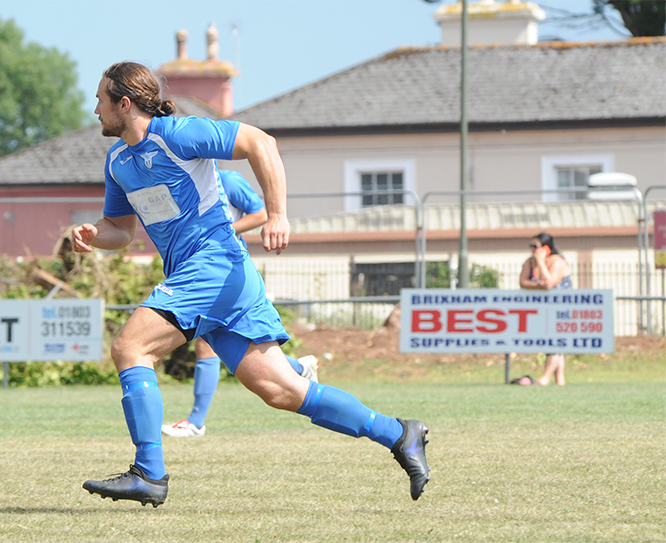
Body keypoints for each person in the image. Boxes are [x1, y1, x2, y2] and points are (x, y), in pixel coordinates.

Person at [75, 62, 430, 507]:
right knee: (282, 391)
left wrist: (278, 214)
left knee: (130, 348)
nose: (94, 109)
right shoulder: (118, 162)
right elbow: (120, 230)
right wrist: (94, 235)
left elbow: (261, 142)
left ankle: (149, 473)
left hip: (214, 266)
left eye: (100, 100)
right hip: (221, 280)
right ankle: (399, 433)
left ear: (123, 104)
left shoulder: (178, 133)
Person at [162, 169, 319, 438]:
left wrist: (221, 231)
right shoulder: (184, 183)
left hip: (226, 270)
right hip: (199, 269)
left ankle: (196, 422)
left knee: (206, 342)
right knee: (230, 346)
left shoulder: (228, 180)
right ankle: (298, 367)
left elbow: (259, 213)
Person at [515, 231, 572, 386]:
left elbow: (549, 283)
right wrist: (538, 285)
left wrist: (540, 261)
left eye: (536, 246)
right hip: (542, 308)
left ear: (547, 247)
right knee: (554, 344)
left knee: (554, 343)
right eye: (531, 246)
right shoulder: (529, 262)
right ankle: (560, 381)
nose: (533, 250)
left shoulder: (557, 261)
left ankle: (545, 377)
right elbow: (523, 282)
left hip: (560, 308)